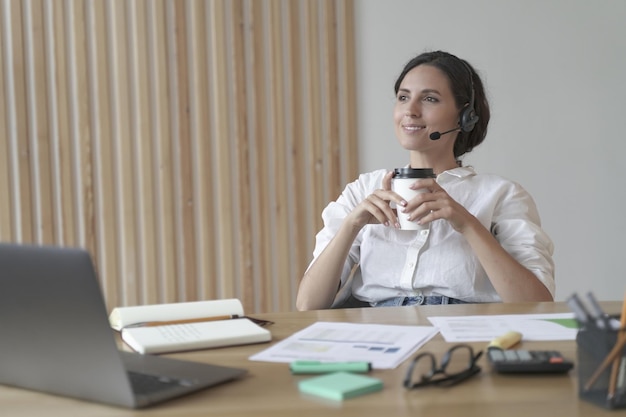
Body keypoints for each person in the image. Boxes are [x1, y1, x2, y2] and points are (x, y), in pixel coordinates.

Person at [296, 50, 555, 311]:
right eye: (403, 97)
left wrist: (467, 224)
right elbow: (308, 304)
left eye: (429, 99)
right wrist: (353, 224)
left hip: (462, 327)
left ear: (465, 116)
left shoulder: (500, 194)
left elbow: (537, 304)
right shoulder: (363, 190)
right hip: (377, 328)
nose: (410, 110)